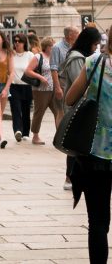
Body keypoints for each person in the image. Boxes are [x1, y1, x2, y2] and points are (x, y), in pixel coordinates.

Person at [65, 27, 112, 264]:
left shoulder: (94, 62)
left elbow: (69, 98)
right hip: (98, 156)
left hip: (96, 154)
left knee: (98, 221)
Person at [60, 25, 102, 191]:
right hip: (79, 107)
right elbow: (81, 85)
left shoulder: (81, 56)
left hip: (81, 107)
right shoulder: (78, 58)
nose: (95, 48)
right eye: (95, 44)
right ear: (88, 42)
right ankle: (70, 177)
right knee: (75, 144)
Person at [25, 35, 60, 144]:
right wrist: (40, 77)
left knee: (58, 112)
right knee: (39, 112)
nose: (54, 48)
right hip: (40, 90)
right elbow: (28, 71)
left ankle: (59, 136)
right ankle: (35, 136)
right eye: (52, 46)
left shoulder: (55, 57)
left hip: (54, 89)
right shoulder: (38, 57)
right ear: (46, 46)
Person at [51, 25, 80, 122]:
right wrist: (57, 87)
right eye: (77, 33)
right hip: (62, 82)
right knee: (61, 111)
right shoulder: (57, 48)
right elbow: (54, 68)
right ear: (70, 35)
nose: (79, 35)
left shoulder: (76, 46)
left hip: (73, 81)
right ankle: (60, 135)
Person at [8, 32, 33, 143]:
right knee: (16, 108)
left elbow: (33, 69)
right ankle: (17, 130)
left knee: (26, 109)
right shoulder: (11, 55)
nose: (17, 43)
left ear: (24, 43)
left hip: (27, 86)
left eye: (20, 41)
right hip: (13, 86)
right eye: (15, 41)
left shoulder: (29, 55)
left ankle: (26, 132)